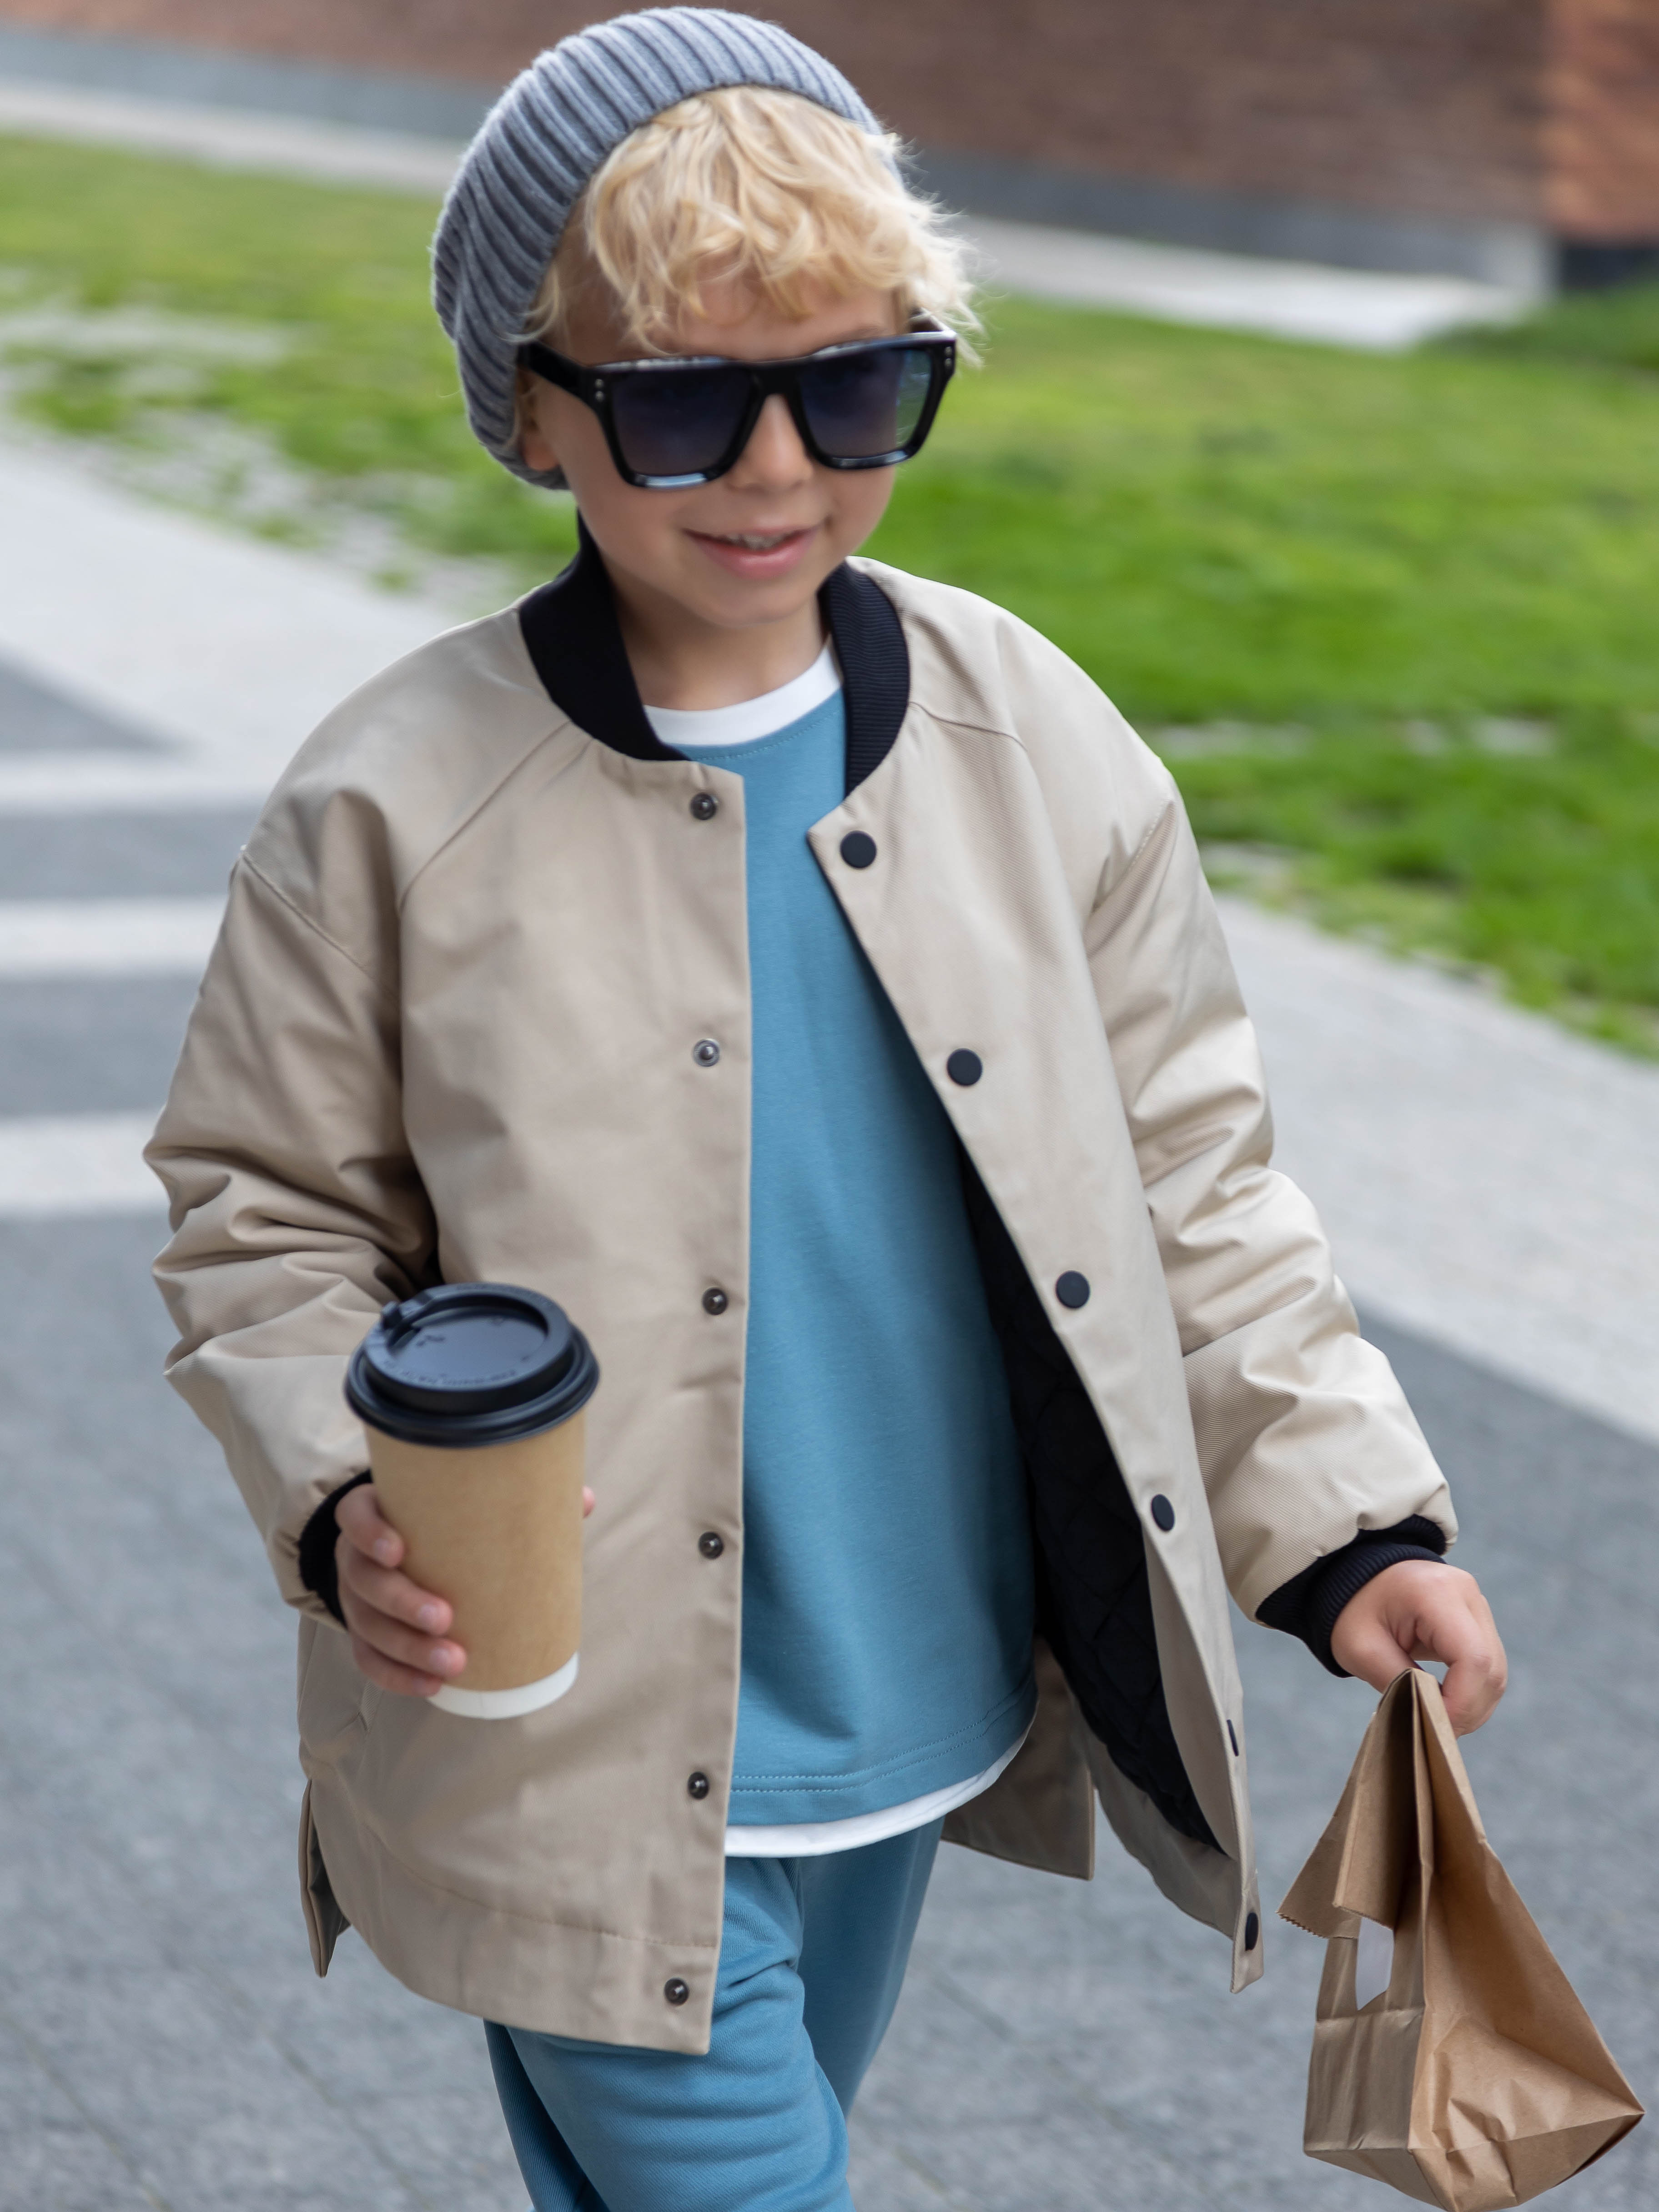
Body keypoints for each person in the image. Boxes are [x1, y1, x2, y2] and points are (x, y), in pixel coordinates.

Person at [146, 11, 1507, 2208]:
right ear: (535, 409)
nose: (779, 470)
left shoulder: (1033, 738)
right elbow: (265, 1216)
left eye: (857, 389)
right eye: (687, 406)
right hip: (559, 1727)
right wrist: (335, 1493)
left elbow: (1192, 1177)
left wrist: (1354, 1526)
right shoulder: (390, 804)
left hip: (910, 1691)